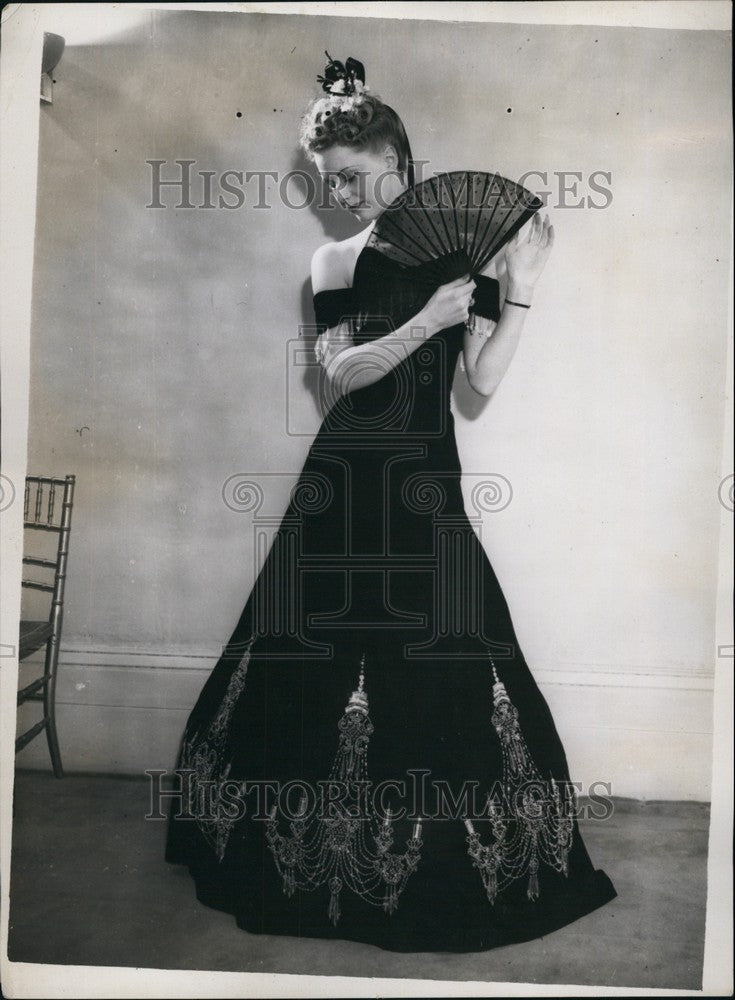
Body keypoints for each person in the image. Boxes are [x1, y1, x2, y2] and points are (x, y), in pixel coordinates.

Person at [165, 54, 616, 954]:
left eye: (355, 177)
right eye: (328, 182)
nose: (341, 195)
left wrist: (518, 283)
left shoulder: (457, 249)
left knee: (447, 659)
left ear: (399, 162)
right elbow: (341, 374)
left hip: (422, 481)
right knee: (303, 660)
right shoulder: (332, 257)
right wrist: (424, 320)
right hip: (342, 483)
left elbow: (480, 382)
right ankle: (282, 855)